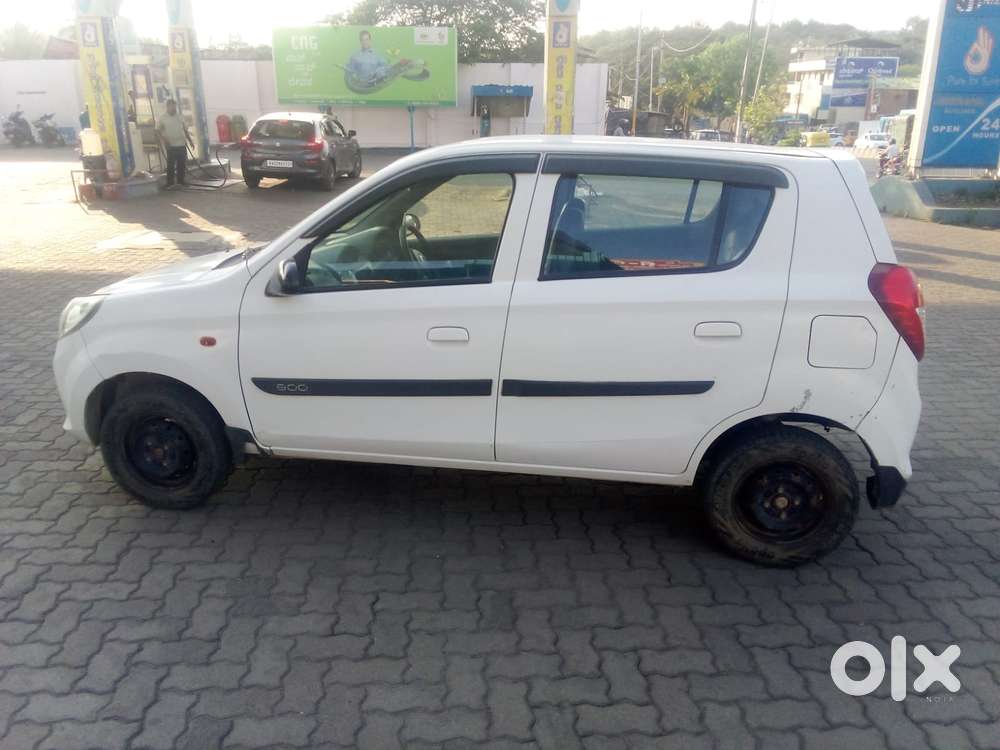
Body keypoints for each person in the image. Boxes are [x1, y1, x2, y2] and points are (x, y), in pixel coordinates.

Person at [157, 99, 192, 188]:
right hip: (171, 145)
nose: (174, 108)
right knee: (171, 165)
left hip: (182, 144)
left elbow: (185, 130)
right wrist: (164, 140)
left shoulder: (180, 116)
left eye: (174, 106)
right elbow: (158, 131)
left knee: (182, 164)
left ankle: (181, 181)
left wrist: (190, 141)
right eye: (172, 106)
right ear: (167, 107)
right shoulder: (162, 118)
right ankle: (170, 182)